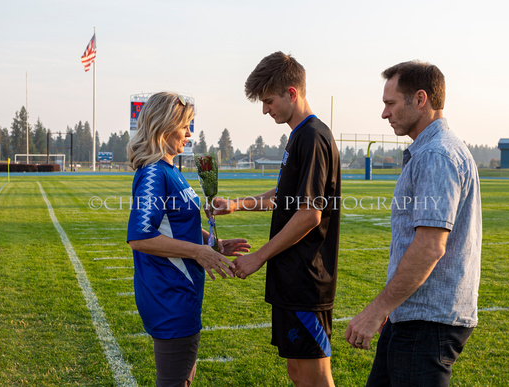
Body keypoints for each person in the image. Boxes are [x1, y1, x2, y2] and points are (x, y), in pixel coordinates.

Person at [344, 61, 482, 386]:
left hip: (428, 321)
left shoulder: (437, 155)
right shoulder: (430, 151)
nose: (384, 113)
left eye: (390, 103)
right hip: (412, 315)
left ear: (420, 99)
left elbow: (430, 246)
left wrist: (378, 308)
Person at [214, 51, 341, 387]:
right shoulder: (298, 136)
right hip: (290, 277)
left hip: (306, 278)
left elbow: (309, 214)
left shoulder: (313, 136)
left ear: (292, 93)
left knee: (315, 375)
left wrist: (258, 256)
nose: (265, 109)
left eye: (268, 101)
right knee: (298, 372)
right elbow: (284, 194)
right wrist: (236, 205)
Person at [126, 92, 250, 386]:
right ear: (165, 126)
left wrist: (214, 244)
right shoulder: (155, 172)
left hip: (181, 293)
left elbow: (176, 223)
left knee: (183, 377)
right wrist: (198, 252)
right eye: (185, 126)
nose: (189, 134)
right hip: (169, 295)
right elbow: (140, 236)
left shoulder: (169, 169)